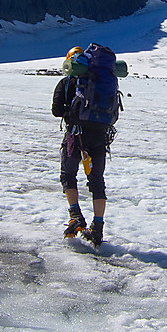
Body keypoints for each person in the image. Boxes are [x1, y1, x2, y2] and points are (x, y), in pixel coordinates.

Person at [52, 46, 111, 247]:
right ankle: (98, 226)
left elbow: (56, 110)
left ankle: (76, 215)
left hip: (75, 135)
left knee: (68, 174)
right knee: (97, 181)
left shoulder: (67, 82)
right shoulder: (103, 80)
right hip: (100, 135)